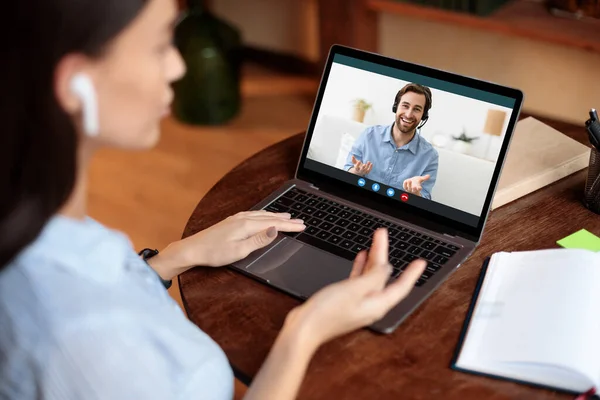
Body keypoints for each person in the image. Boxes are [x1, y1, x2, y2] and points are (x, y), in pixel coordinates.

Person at [0, 0, 427, 399]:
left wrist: (172, 259)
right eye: (160, 45)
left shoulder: (41, 218)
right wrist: (306, 329)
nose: (178, 66)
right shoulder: (84, 345)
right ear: (76, 84)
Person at [343, 83, 439, 200]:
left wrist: (416, 194)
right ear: (396, 107)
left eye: (417, 109)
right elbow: (345, 174)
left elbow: (425, 200)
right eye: (405, 106)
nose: (408, 114)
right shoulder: (369, 135)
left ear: (423, 116)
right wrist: (356, 172)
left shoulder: (430, 156)